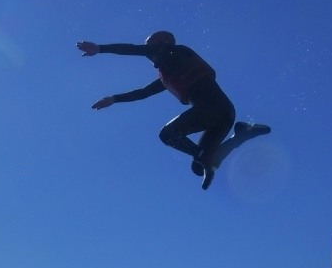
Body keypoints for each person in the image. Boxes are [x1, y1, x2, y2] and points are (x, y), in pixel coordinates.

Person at [77, 31, 269, 190]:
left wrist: (100, 49)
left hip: (214, 108)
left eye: (151, 49)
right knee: (198, 166)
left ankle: (206, 158)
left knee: (168, 134)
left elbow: (135, 49)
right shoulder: (168, 73)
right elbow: (144, 92)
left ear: (162, 44)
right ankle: (242, 135)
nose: (148, 55)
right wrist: (114, 99)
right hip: (223, 115)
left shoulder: (175, 53)